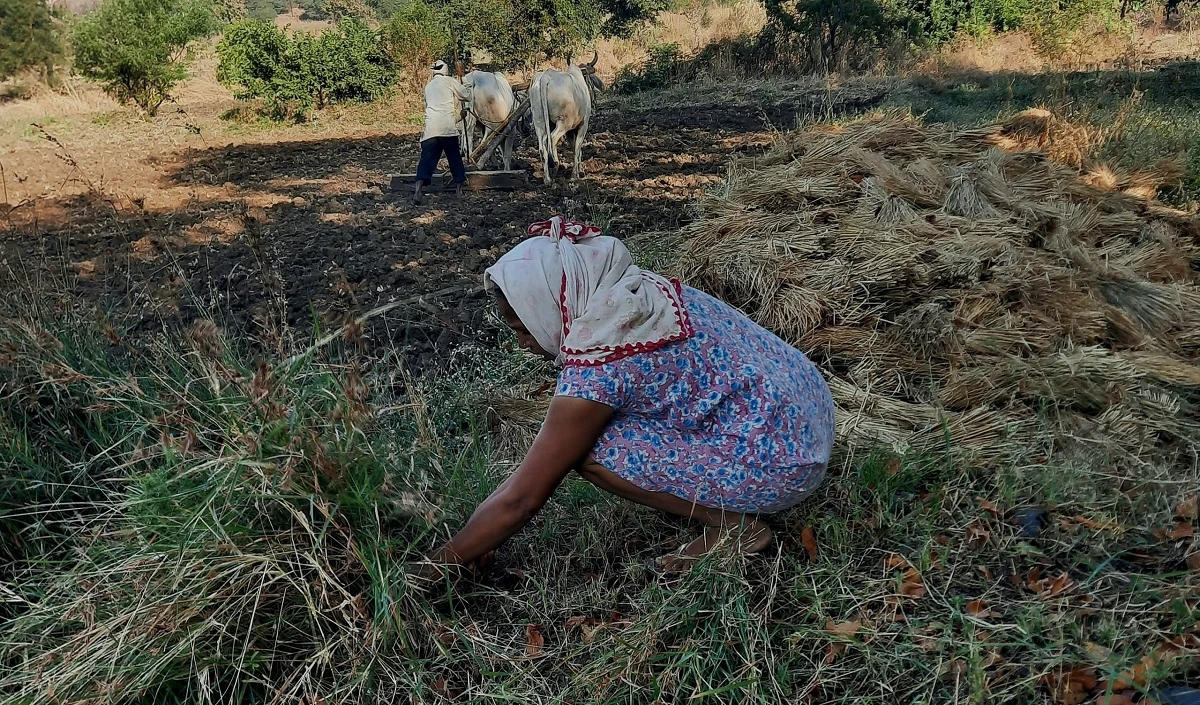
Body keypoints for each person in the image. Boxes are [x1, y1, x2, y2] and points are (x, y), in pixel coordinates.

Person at [412, 216, 835, 584]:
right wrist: (474, 540)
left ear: (550, 306)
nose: (523, 344)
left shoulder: (600, 360)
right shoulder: (631, 292)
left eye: (522, 328)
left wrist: (437, 564)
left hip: (783, 465)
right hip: (806, 413)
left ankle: (736, 529)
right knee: (578, 436)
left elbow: (524, 496)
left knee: (591, 448)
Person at [413, 60, 472, 204]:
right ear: (445, 70)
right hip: (447, 130)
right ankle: (458, 191)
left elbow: (436, 110)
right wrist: (462, 76)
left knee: (426, 162)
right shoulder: (449, 81)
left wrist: (459, 117)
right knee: (454, 159)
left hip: (430, 130)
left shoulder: (428, 87)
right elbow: (466, 95)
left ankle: (417, 191)